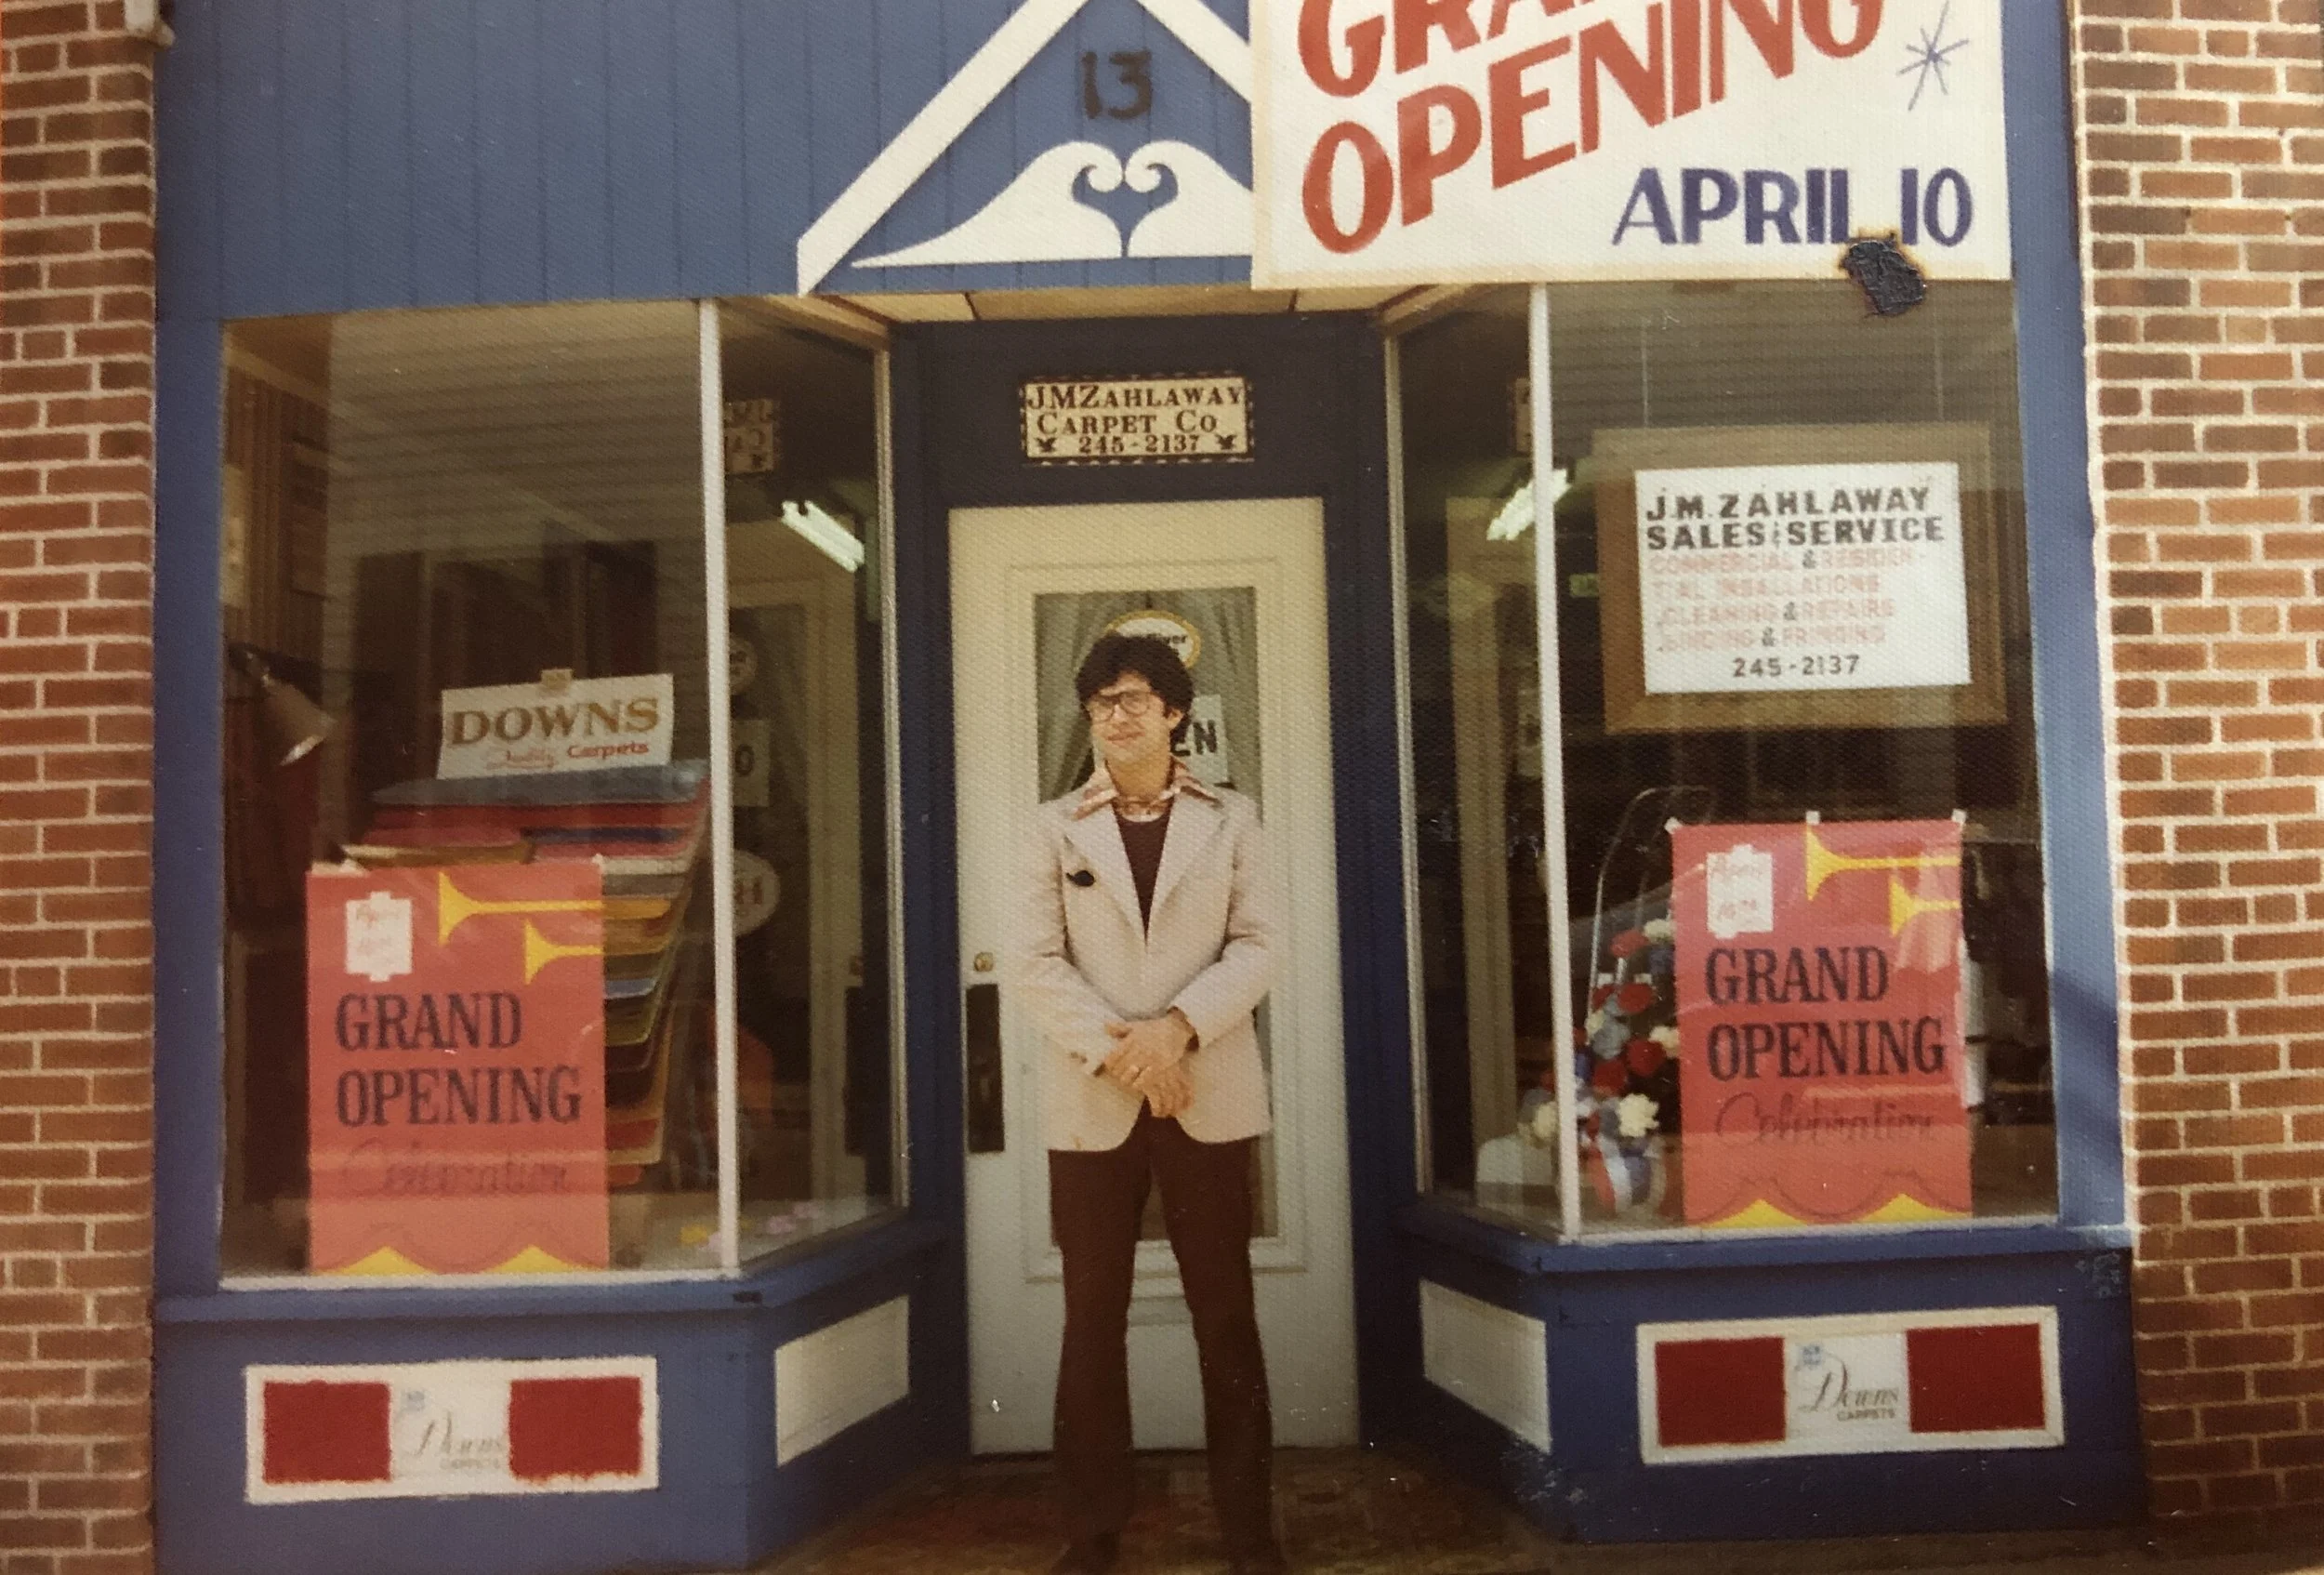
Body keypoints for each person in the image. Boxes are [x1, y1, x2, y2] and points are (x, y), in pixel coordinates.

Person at [1008, 632, 1285, 1575]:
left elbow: (1257, 945)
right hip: (1095, 1103)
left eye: (1133, 698)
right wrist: (1131, 1054)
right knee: (1091, 1320)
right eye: (1099, 702)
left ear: (1174, 712)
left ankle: (1251, 1537)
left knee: (1226, 1316)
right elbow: (1034, 964)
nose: (1115, 716)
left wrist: (1177, 1029)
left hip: (1206, 1090)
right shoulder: (1051, 828)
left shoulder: (1234, 819)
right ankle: (1090, 1538)